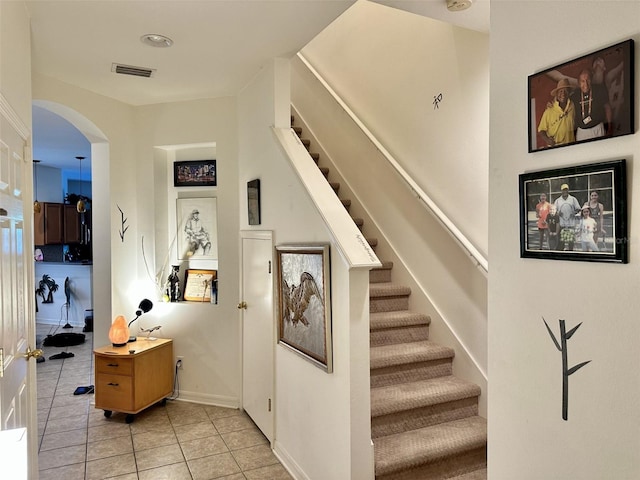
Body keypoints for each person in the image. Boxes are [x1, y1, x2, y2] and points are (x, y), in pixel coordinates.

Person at [570, 68, 612, 141]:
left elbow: (607, 108)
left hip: (597, 129)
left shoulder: (599, 90)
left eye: (587, 80)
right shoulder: (575, 95)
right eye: (583, 81)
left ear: (591, 80)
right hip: (582, 132)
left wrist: (610, 125)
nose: (585, 84)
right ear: (579, 83)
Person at [537, 78, 575, 147]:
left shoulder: (573, 106)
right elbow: (541, 130)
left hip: (570, 146)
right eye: (560, 91)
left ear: (569, 93)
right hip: (555, 148)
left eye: (565, 91)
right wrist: (548, 140)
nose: (563, 94)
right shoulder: (549, 110)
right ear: (557, 94)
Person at [553, 183, 581, 251]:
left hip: (571, 224)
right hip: (561, 224)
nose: (565, 191)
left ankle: (570, 254)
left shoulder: (573, 199)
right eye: (563, 190)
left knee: (571, 242)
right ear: (561, 191)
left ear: (568, 190)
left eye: (566, 190)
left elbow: (578, 209)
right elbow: (553, 211)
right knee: (561, 242)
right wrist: (558, 213)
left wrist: (574, 213)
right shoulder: (557, 200)